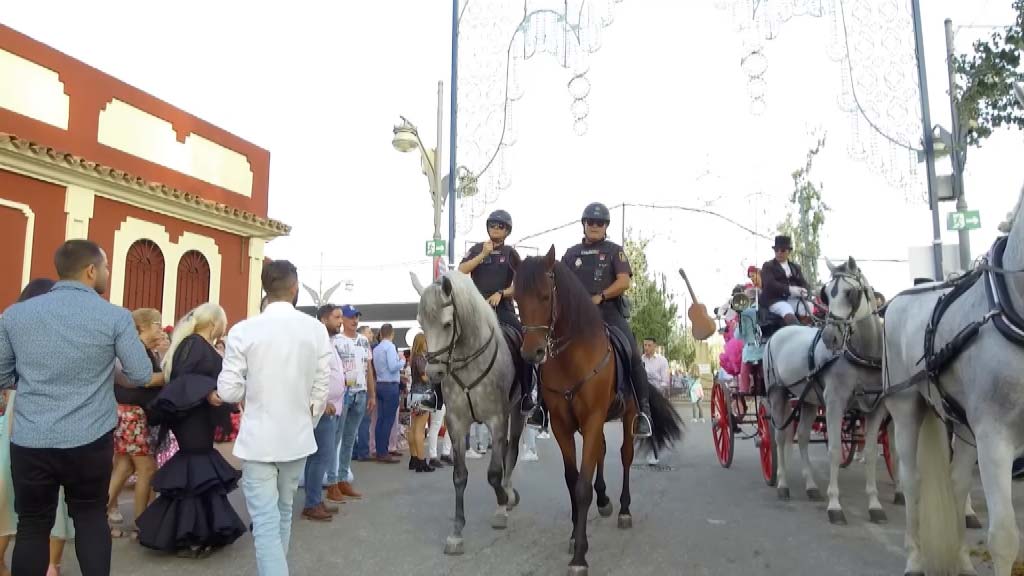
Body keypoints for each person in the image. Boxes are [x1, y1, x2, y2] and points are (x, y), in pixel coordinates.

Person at [0, 240, 153, 575]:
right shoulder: (114, 316)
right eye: (107, 266)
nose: (108, 273)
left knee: (32, 526)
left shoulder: (14, 315)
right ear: (91, 270)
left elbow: (1, 374)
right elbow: (141, 374)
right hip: (89, 439)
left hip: (31, 440)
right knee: (89, 518)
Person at [216, 261, 332, 575]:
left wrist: (244, 389)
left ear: (266, 289)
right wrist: (309, 420)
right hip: (296, 436)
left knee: (267, 522)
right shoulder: (315, 330)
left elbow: (227, 390)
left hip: (258, 438)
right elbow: (322, 386)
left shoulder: (243, 330)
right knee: (281, 513)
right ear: (295, 289)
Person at [136, 303, 245, 557]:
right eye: (223, 321)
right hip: (191, 415)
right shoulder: (195, 343)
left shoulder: (196, 343)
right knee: (196, 467)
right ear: (214, 322)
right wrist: (207, 392)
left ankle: (195, 531)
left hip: (198, 415)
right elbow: (184, 378)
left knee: (198, 469)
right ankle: (189, 534)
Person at [561, 202, 653, 437]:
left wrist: (600, 296)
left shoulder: (614, 250)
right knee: (547, 350)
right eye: (590, 222)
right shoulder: (571, 254)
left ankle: (644, 412)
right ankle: (540, 406)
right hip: (577, 317)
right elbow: (558, 283)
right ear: (583, 224)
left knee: (632, 353)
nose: (594, 226)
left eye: (599, 222)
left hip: (609, 313)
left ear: (605, 226)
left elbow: (624, 281)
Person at [107, 307, 166, 540]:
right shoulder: (135, 350)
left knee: (124, 467)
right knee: (147, 468)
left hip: (128, 414)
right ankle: (143, 524)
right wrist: (171, 373)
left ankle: (97, 517)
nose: (160, 328)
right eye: (156, 324)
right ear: (143, 326)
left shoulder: (143, 350)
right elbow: (143, 379)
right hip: (132, 415)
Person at [302, 305, 346, 521]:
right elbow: (310, 374)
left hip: (334, 408)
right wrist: (323, 401)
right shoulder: (316, 343)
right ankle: (311, 503)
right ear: (323, 319)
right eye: (337, 317)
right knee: (321, 456)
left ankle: (315, 499)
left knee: (318, 456)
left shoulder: (329, 343)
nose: (341, 321)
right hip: (324, 409)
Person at [328, 306, 376, 498]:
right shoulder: (336, 341)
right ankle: (331, 482)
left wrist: (372, 395)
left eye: (356, 317)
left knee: (349, 438)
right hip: (343, 394)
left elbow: (369, 369)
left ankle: (342, 479)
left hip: (360, 393)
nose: (354, 320)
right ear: (344, 321)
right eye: (350, 317)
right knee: (335, 439)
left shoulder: (364, 341)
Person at [759, 235, 812, 326]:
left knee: (808, 306)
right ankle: (796, 333)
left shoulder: (795, 267)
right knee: (786, 309)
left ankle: (806, 330)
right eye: (776, 250)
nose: (779, 253)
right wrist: (790, 290)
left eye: (782, 250)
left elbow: (804, 283)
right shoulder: (768, 266)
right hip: (774, 300)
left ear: (789, 252)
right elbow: (770, 284)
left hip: (792, 299)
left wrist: (805, 291)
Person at [372, 324, 405, 464]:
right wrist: (402, 361)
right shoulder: (390, 347)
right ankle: (384, 452)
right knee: (388, 420)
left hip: (380, 383)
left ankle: (380, 450)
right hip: (390, 385)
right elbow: (393, 366)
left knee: (380, 419)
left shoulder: (377, 348)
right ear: (392, 333)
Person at [406, 334, 434, 472]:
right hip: (423, 394)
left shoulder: (413, 358)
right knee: (420, 429)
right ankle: (422, 461)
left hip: (414, 394)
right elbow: (424, 377)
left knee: (413, 427)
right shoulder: (421, 358)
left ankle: (414, 458)